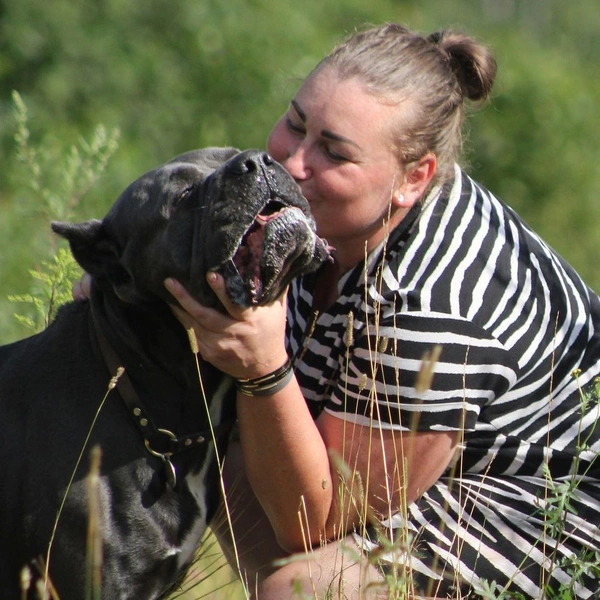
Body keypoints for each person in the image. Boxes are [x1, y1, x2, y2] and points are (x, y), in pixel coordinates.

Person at [77, 23, 600, 599]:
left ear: (414, 178)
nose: (293, 164)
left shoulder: (436, 304)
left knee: (302, 591)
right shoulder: (326, 211)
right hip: (418, 461)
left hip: (554, 506)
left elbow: (315, 521)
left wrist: (262, 372)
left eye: (334, 151)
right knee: (191, 419)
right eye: (296, 124)